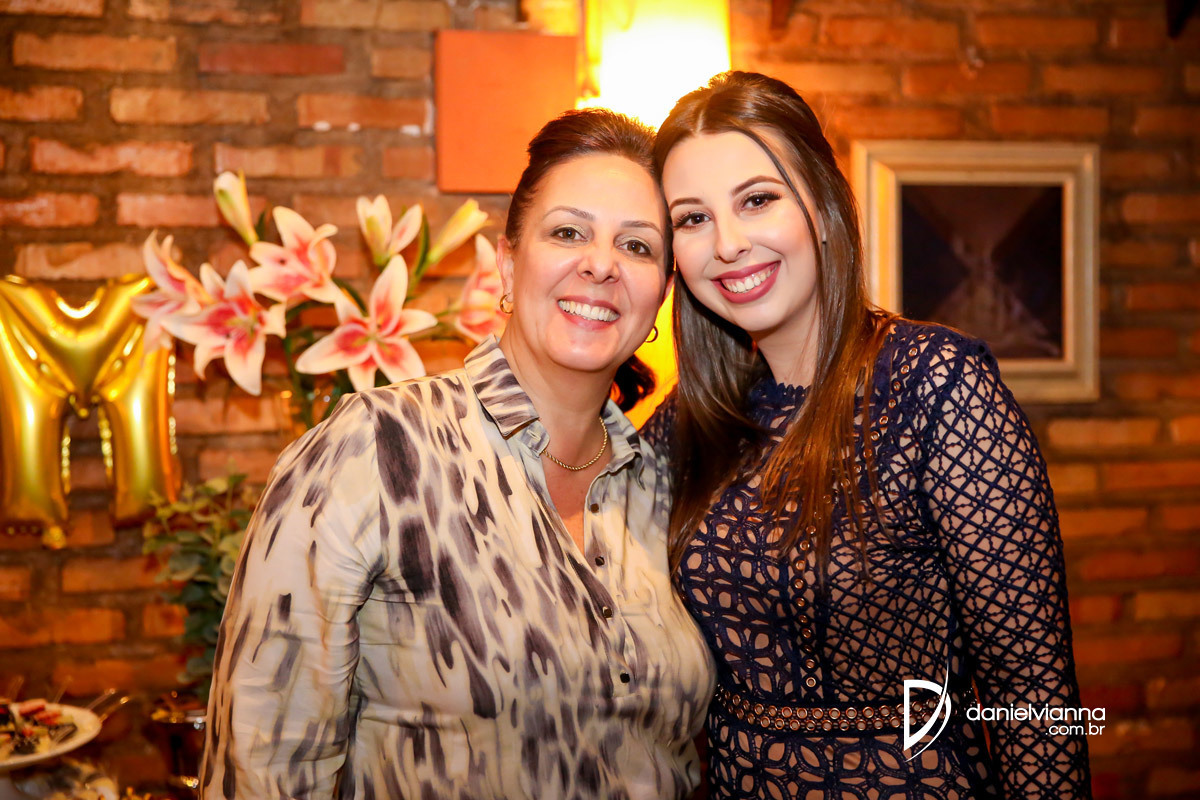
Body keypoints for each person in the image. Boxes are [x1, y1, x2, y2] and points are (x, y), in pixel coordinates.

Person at [199, 108, 715, 800]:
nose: (601, 263)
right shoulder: (377, 449)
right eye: (568, 232)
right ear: (508, 262)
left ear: (662, 293)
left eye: (638, 245)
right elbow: (262, 767)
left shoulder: (664, 485)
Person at [641, 71, 1092, 799]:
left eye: (757, 200)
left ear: (821, 207)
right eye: (692, 219)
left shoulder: (935, 385)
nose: (727, 244)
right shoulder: (693, 420)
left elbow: (1033, 698)